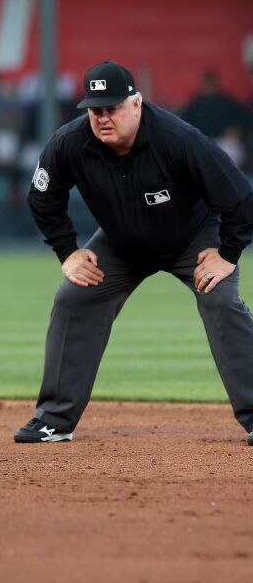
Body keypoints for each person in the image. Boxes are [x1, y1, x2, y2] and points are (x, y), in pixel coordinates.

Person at [19, 60, 253, 445]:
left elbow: (240, 197)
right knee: (74, 296)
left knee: (221, 300)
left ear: (136, 104)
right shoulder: (70, 142)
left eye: (112, 108)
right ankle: (54, 420)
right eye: (95, 110)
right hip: (121, 244)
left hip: (191, 239)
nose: (103, 118)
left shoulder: (178, 138)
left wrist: (226, 255)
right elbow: (42, 198)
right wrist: (68, 253)